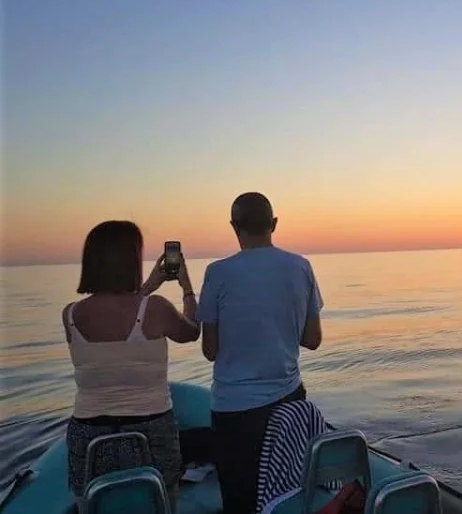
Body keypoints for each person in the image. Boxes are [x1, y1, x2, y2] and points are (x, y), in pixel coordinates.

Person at [196, 192, 324, 514]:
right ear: (274, 224)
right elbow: (312, 339)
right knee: (286, 494)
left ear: (233, 226)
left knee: (240, 502)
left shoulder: (218, 272)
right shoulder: (301, 267)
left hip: (235, 411)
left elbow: (210, 350)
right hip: (289, 402)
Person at [63, 220, 200, 513]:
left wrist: (149, 286)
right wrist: (187, 287)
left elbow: (120, 311)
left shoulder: (71, 315)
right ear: (131, 260)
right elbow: (191, 332)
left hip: (88, 434)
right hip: (151, 429)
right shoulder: (156, 308)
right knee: (161, 503)